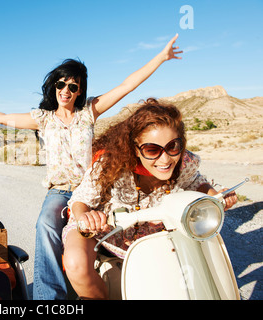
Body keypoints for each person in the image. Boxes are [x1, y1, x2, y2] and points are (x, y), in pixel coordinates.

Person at [0, 34, 183, 300]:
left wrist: (161, 57)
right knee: (45, 225)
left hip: (94, 191)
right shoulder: (43, 119)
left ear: (79, 91)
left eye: (73, 87)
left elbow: (127, 86)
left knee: (117, 225)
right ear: (54, 86)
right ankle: (49, 298)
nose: (66, 90)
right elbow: (5, 118)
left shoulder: (89, 112)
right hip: (61, 192)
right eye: (61, 84)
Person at [62, 98, 238, 299]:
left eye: (173, 146)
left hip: (154, 241)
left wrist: (216, 195)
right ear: (136, 148)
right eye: (152, 150)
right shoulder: (110, 164)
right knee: (76, 263)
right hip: (105, 234)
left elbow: (197, 183)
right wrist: (86, 217)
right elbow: (81, 199)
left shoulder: (183, 162)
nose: (165, 159)